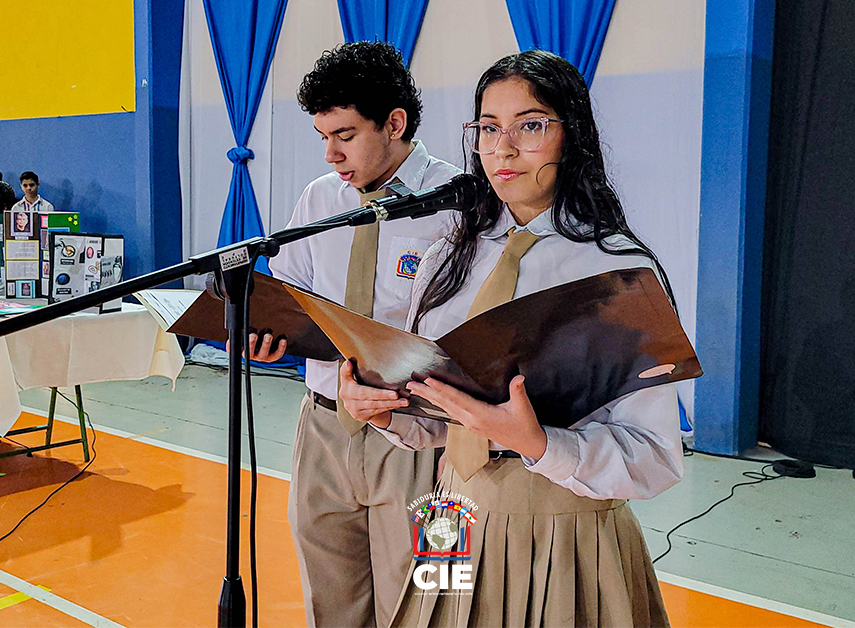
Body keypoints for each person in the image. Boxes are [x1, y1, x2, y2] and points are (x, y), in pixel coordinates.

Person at [339, 51, 683, 627]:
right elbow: (438, 414)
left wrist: (540, 443)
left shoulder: (615, 271)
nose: (503, 148)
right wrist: (384, 410)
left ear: (570, 136)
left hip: (559, 526)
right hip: (447, 510)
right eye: (488, 129)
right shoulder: (452, 253)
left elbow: (653, 456)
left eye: (530, 125)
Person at [253, 41, 461, 628]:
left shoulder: (460, 203)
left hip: (424, 436)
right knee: (332, 596)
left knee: (433, 598)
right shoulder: (320, 198)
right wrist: (270, 333)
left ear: (394, 123)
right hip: (325, 426)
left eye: (344, 134)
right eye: (323, 136)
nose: (330, 154)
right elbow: (290, 291)